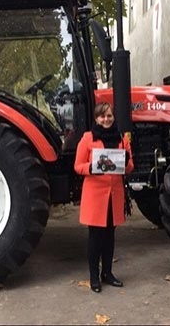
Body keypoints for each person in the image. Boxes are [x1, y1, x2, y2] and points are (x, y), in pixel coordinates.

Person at [74, 102, 134, 293]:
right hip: (95, 194)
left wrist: (126, 161)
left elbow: (130, 166)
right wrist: (91, 168)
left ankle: (107, 273)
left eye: (109, 116)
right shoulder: (87, 138)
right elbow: (77, 166)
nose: (106, 119)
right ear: (96, 118)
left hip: (114, 194)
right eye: (102, 116)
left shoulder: (122, 138)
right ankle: (94, 276)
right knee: (95, 237)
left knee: (110, 236)